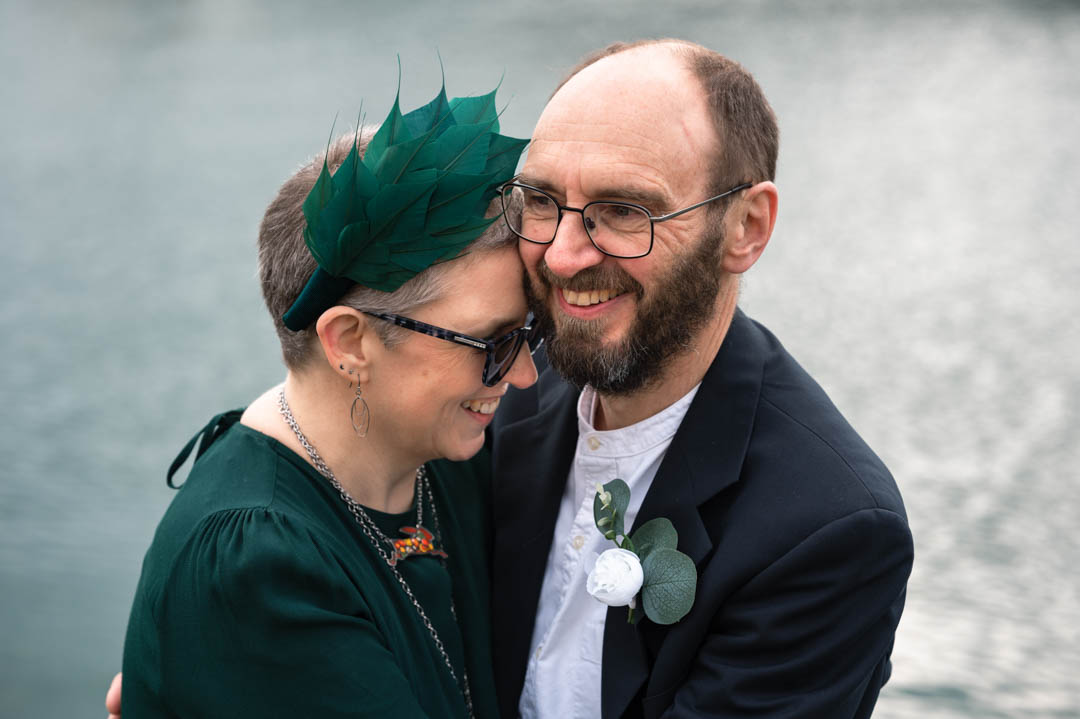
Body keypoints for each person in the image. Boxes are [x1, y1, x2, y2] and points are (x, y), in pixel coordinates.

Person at [488, 39, 914, 718]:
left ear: (747, 227)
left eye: (625, 211)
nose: (563, 257)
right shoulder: (491, 391)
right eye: (540, 200)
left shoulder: (828, 528)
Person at [118, 79, 537, 718]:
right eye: (493, 342)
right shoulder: (257, 569)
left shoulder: (438, 455)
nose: (526, 373)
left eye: (527, 332)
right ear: (350, 343)